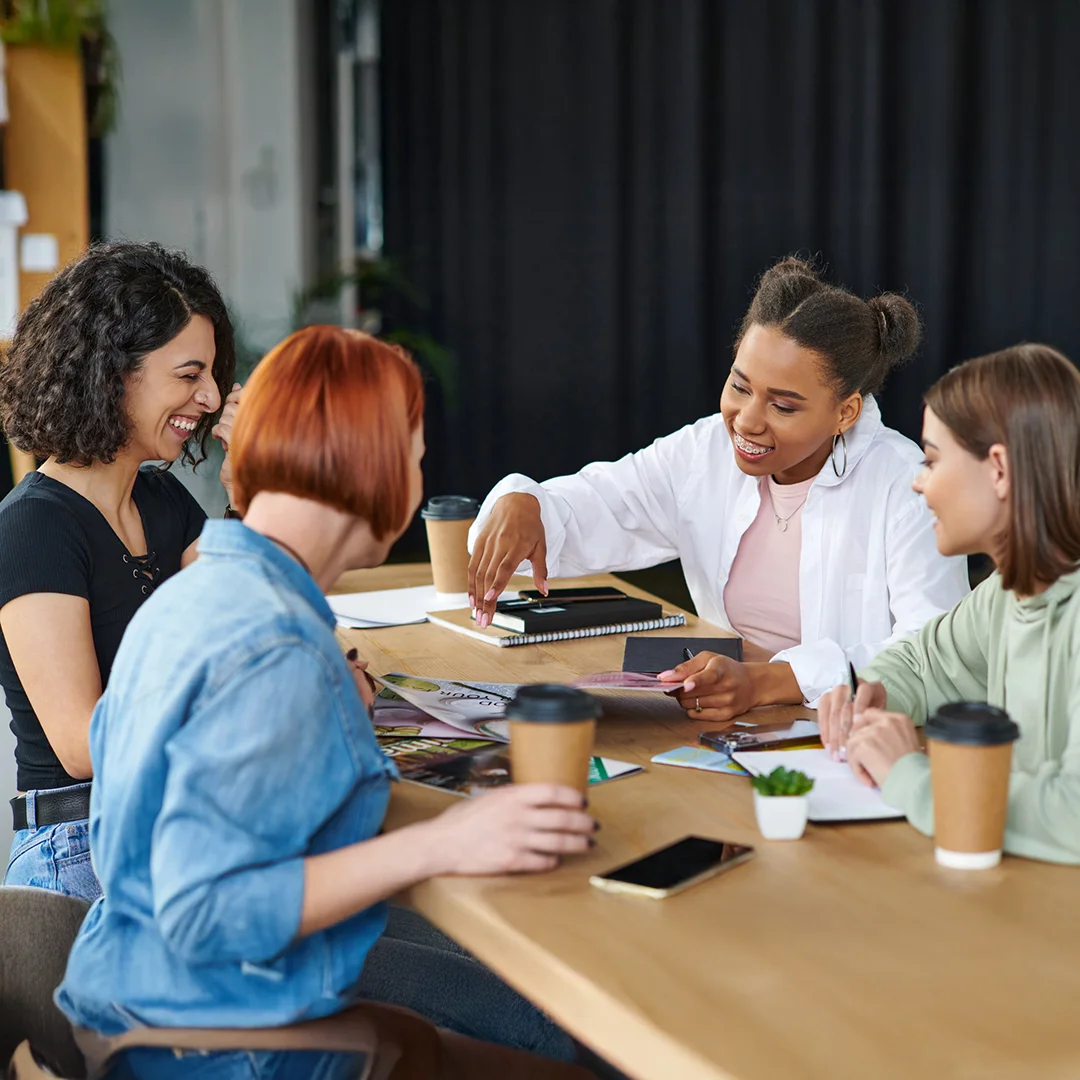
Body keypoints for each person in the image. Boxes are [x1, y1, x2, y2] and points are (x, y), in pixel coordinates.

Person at [56, 326, 599, 1078]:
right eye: (412, 456)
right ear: (372, 469)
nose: (415, 475)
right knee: (564, 1047)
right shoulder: (276, 648)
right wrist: (444, 843)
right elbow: (203, 913)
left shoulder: (200, 594)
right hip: (214, 1045)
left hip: (138, 1014)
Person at [468, 257, 969, 718]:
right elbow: (594, 508)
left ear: (846, 412)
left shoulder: (907, 484)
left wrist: (768, 682)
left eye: (784, 405)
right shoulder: (705, 450)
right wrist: (524, 500)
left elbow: (936, 654)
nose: (747, 421)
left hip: (849, 734)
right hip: (724, 718)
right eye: (740, 386)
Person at [0, 241, 240, 902]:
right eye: (190, 374)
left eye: (213, 374)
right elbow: (86, 743)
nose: (212, 396)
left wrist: (253, 486)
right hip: (80, 847)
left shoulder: (163, 500)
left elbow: (247, 627)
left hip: (171, 824)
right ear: (111, 375)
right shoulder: (33, 526)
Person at [817, 344, 1080, 864]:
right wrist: (872, 691)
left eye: (932, 461)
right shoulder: (1007, 592)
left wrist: (911, 777)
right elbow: (925, 661)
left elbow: (1072, 813)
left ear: (999, 470)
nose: (918, 481)